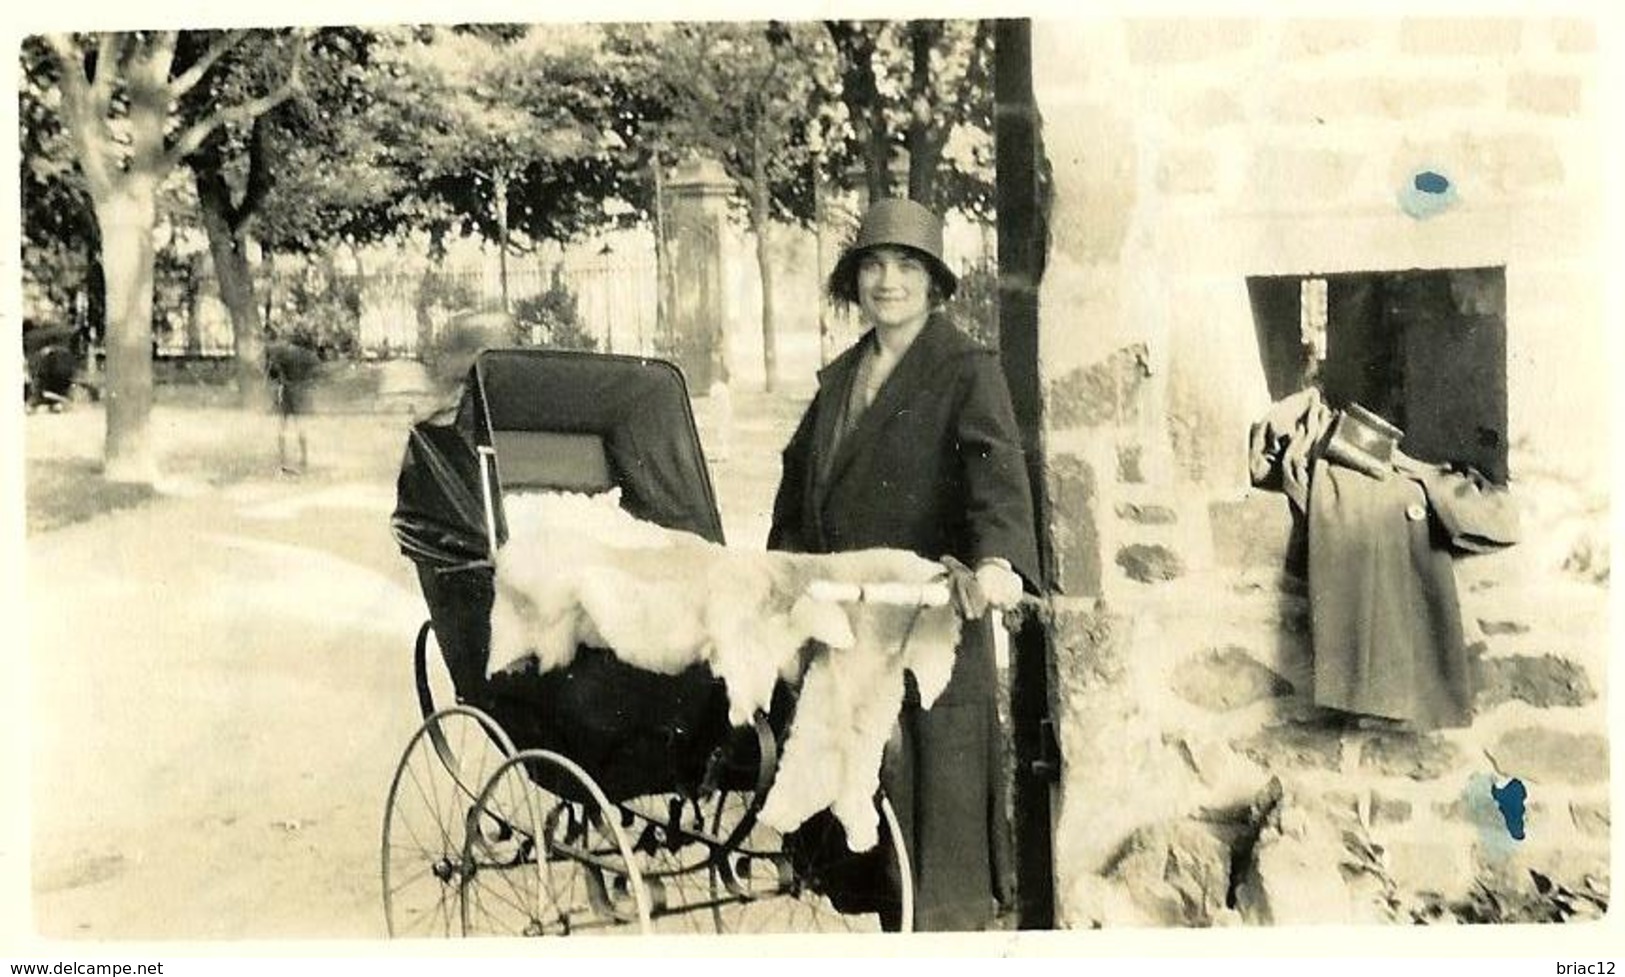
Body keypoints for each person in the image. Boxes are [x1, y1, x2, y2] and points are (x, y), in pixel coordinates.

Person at [768, 197, 1040, 931]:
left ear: (934, 284)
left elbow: (997, 479)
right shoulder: (840, 379)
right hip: (846, 619)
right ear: (854, 280)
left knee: (932, 814)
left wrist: (998, 561)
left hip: (927, 625)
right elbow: (798, 492)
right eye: (874, 266)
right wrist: (785, 579)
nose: (888, 281)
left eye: (907, 267)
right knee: (863, 803)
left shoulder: (962, 370)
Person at [267, 337, 319, 475]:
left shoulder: (283, 354)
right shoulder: (307, 355)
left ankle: (282, 457)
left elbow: (273, 374)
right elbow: (315, 372)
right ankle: (304, 456)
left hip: (287, 392)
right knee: (300, 426)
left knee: (282, 426)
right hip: (300, 393)